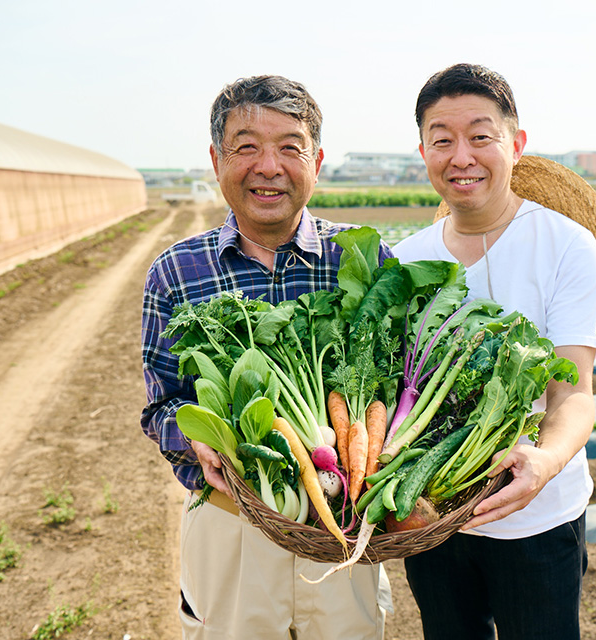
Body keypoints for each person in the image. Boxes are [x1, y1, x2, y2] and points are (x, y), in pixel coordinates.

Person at [140, 75, 392, 640]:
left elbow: (396, 387)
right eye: (247, 146)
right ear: (216, 159)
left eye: (289, 147)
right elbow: (160, 410)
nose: (268, 166)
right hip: (232, 523)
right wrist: (196, 440)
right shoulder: (176, 273)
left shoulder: (365, 256)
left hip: (345, 526)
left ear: (317, 160)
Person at [392, 63, 596, 640]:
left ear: (514, 144)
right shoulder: (404, 259)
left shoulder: (566, 245)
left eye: (480, 136)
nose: (461, 156)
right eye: (442, 140)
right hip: (432, 520)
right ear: (424, 153)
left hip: (537, 519)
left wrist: (541, 462)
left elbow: (573, 392)